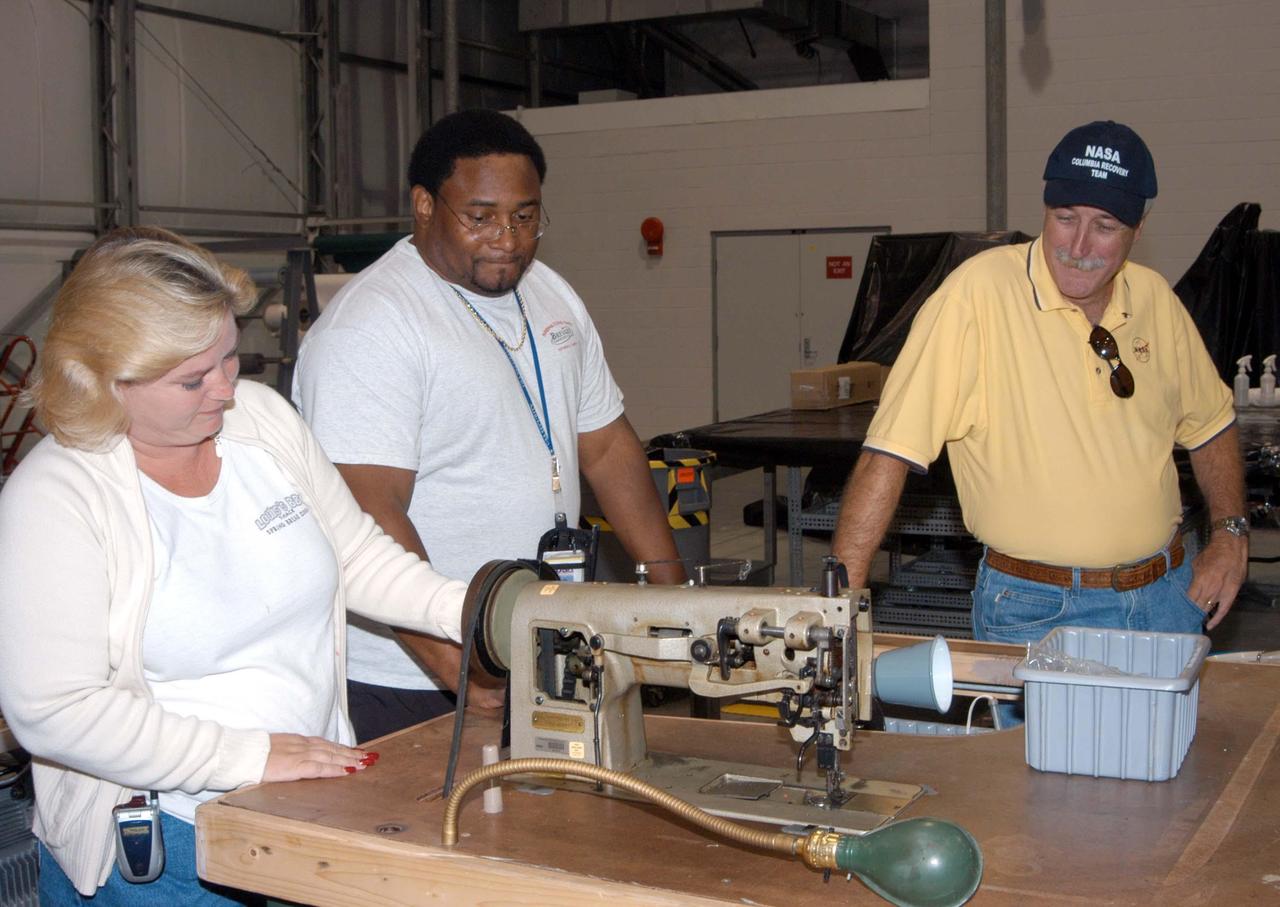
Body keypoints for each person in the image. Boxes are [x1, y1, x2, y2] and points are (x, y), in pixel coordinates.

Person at [0, 227, 469, 904]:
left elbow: (358, 557)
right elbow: (55, 709)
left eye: (230, 357)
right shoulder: (57, 495)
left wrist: (481, 612)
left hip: (314, 808)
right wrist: (248, 756)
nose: (224, 389)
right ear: (104, 378)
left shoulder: (262, 421)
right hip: (169, 845)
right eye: (191, 378)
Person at [294, 109, 685, 742]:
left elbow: (608, 446)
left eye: (525, 216)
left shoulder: (551, 294)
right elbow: (367, 513)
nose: (508, 237)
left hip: (535, 650)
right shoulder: (373, 326)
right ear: (425, 205)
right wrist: (461, 673)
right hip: (410, 679)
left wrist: (673, 601)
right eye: (480, 217)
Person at [833, 120, 1248, 646]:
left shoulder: (1154, 299)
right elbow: (887, 455)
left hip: (1166, 597)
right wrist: (838, 609)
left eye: (1105, 226)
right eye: (1065, 218)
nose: (1078, 245)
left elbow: (1212, 424)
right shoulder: (977, 297)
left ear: (1139, 229)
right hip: (1041, 610)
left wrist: (1230, 534)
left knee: (1172, 733)